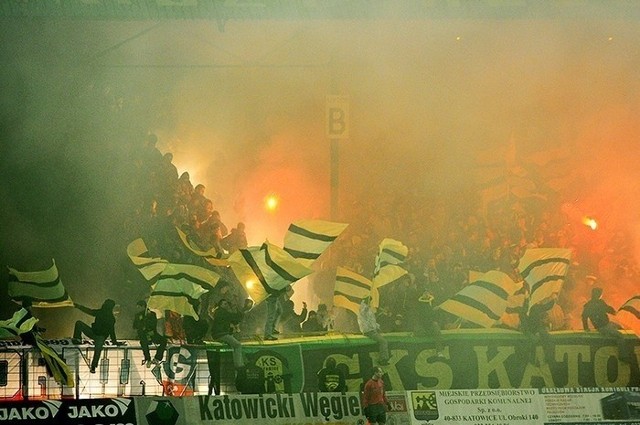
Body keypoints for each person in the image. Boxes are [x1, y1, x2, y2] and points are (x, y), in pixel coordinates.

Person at [72, 299, 125, 373]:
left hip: (96, 335)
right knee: (98, 349)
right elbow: (112, 332)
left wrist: (78, 306)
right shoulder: (110, 318)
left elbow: (89, 311)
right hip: (99, 336)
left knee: (79, 324)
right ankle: (93, 366)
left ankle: (77, 339)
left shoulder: (102, 313)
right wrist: (115, 342)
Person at [582, 287, 631, 361]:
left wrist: (615, 312)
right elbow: (608, 309)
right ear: (599, 294)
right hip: (603, 327)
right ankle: (623, 356)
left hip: (607, 324)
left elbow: (584, 317)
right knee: (620, 336)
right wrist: (586, 328)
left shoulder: (593, 304)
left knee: (619, 327)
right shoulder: (596, 304)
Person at [211, 298, 253, 368]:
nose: (226, 305)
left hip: (219, 334)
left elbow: (234, 320)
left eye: (226, 303)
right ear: (220, 305)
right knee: (237, 345)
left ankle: (239, 363)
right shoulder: (222, 312)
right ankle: (239, 365)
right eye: (224, 304)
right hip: (221, 334)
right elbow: (235, 317)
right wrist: (244, 310)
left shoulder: (220, 312)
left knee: (235, 344)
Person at [132, 300, 167, 367]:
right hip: (143, 334)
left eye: (139, 307)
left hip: (152, 333)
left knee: (163, 341)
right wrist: (141, 323)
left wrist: (148, 325)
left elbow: (154, 324)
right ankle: (148, 359)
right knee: (143, 342)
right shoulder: (138, 315)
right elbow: (135, 326)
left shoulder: (152, 314)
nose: (138, 309)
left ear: (143, 306)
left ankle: (157, 358)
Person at [358, 296, 389, 366]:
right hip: (369, 331)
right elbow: (363, 313)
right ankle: (383, 359)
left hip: (372, 330)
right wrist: (366, 307)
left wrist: (378, 327)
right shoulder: (363, 308)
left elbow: (372, 321)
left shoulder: (369, 309)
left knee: (383, 339)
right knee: (383, 341)